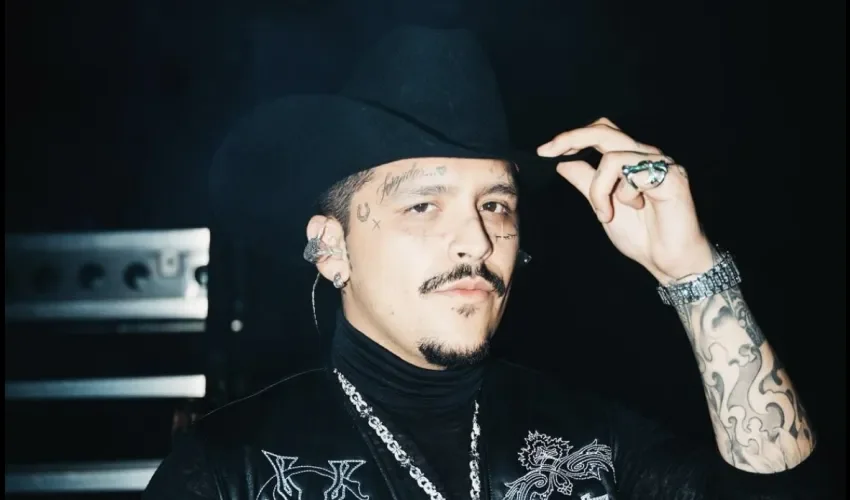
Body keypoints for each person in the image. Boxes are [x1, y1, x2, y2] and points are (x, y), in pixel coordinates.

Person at [144, 26, 827, 499]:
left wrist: (690, 271)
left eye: (496, 205)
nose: (475, 240)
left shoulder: (591, 442)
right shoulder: (230, 471)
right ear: (331, 249)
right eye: (423, 205)